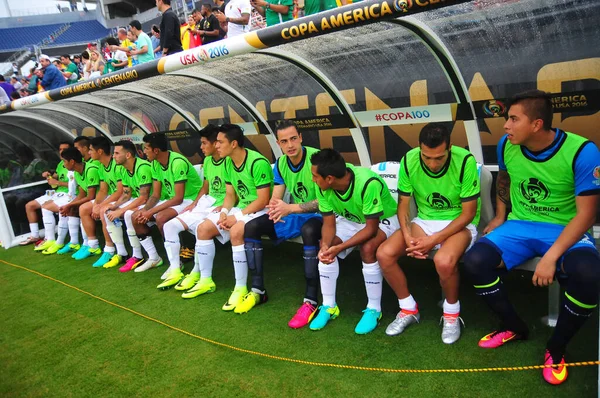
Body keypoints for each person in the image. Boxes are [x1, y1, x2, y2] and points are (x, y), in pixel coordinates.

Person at [463, 90, 600, 385]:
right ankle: (513, 327)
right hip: (520, 226)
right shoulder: (507, 145)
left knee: (589, 275)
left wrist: (551, 258)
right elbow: (505, 179)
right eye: (506, 119)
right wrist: (500, 216)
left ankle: (556, 348)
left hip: (566, 228)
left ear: (537, 124)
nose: (506, 126)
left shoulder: (583, 151)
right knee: (475, 261)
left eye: (513, 119)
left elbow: (586, 215)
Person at [376, 123, 481, 345]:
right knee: (384, 254)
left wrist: (433, 240)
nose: (432, 164)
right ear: (419, 149)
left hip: (458, 223)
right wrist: (407, 237)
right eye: (427, 157)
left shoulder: (465, 161)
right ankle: (408, 309)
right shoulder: (409, 159)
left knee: (443, 261)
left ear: (450, 148)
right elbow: (403, 204)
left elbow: (469, 213)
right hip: (424, 220)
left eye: (439, 158)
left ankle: (451, 315)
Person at [240, 120, 322, 327]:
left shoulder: (316, 158)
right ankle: (258, 290)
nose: (290, 145)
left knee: (309, 229)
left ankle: (311, 300)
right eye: (284, 141)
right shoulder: (281, 163)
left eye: (294, 138)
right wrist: (275, 209)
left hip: (324, 215)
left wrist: (289, 208)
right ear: (278, 143)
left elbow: (325, 202)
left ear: (301, 138)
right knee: (252, 226)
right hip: (295, 212)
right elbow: (277, 198)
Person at [308, 148, 398, 334]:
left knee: (367, 248)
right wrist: (326, 245)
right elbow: (329, 222)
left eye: (315, 176)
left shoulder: (367, 182)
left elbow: (371, 228)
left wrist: (341, 246)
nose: (313, 180)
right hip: (353, 219)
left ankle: (374, 309)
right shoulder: (323, 185)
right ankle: (329, 306)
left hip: (383, 219)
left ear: (330, 178)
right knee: (327, 248)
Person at [185, 124, 273, 311]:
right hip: (241, 208)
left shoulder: (258, 162)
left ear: (233, 144)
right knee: (203, 228)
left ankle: (240, 288)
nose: (216, 146)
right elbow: (231, 195)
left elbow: (263, 199)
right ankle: (206, 280)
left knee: (236, 231)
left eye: (220, 142)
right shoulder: (227, 163)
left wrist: (237, 217)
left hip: (262, 210)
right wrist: (225, 213)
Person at [157, 125, 227, 289]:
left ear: (216, 143)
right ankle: (175, 269)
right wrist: (195, 204)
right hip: (207, 203)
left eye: (204, 143)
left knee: (201, 229)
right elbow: (206, 186)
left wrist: (224, 206)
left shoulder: (229, 160)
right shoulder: (208, 160)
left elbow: (236, 189)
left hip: (223, 207)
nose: (201, 147)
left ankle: (198, 272)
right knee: (169, 226)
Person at [130, 133, 202, 273]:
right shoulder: (155, 164)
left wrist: (151, 212)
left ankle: (176, 262)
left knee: (161, 217)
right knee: (135, 216)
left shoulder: (177, 162)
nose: (144, 152)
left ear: (156, 150)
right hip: (173, 200)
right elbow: (156, 195)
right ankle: (154, 258)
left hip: (191, 200)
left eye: (146, 148)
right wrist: (145, 210)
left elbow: (178, 198)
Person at [99, 140, 154, 269]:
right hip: (139, 200)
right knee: (107, 212)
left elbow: (144, 197)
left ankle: (137, 255)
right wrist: (114, 206)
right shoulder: (123, 169)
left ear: (128, 155)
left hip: (152, 201)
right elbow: (126, 194)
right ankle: (122, 253)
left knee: (128, 214)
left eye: (117, 153)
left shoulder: (142, 167)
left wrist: (120, 211)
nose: (113, 156)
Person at [72, 137, 124, 266]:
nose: (89, 153)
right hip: (112, 197)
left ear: (100, 151)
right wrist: (96, 204)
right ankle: (93, 245)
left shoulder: (116, 165)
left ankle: (109, 249)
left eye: (91, 150)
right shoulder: (101, 166)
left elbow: (119, 192)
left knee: (103, 211)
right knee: (84, 208)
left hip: (124, 197)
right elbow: (103, 190)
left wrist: (101, 205)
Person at [20, 141, 74, 248]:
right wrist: (50, 175)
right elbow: (57, 176)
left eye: (65, 149)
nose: (62, 151)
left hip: (67, 194)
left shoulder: (74, 163)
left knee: (46, 207)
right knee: (29, 205)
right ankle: (35, 235)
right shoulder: (61, 163)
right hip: (56, 193)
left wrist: (57, 183)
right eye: (60, 149)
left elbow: (77, 185)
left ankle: (52, 239)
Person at [58, 147, 100, 245]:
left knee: (82, 208)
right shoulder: (76, 172)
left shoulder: (91, 170)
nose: (63, 165)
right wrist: (70, 205)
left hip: (102, 198)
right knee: (72, 209)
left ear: (72, 161)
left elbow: (91, 196)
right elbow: (82, 194)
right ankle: (75, 243)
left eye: (64, 161)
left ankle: (92, 244)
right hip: (94, 199)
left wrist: (69, 205)